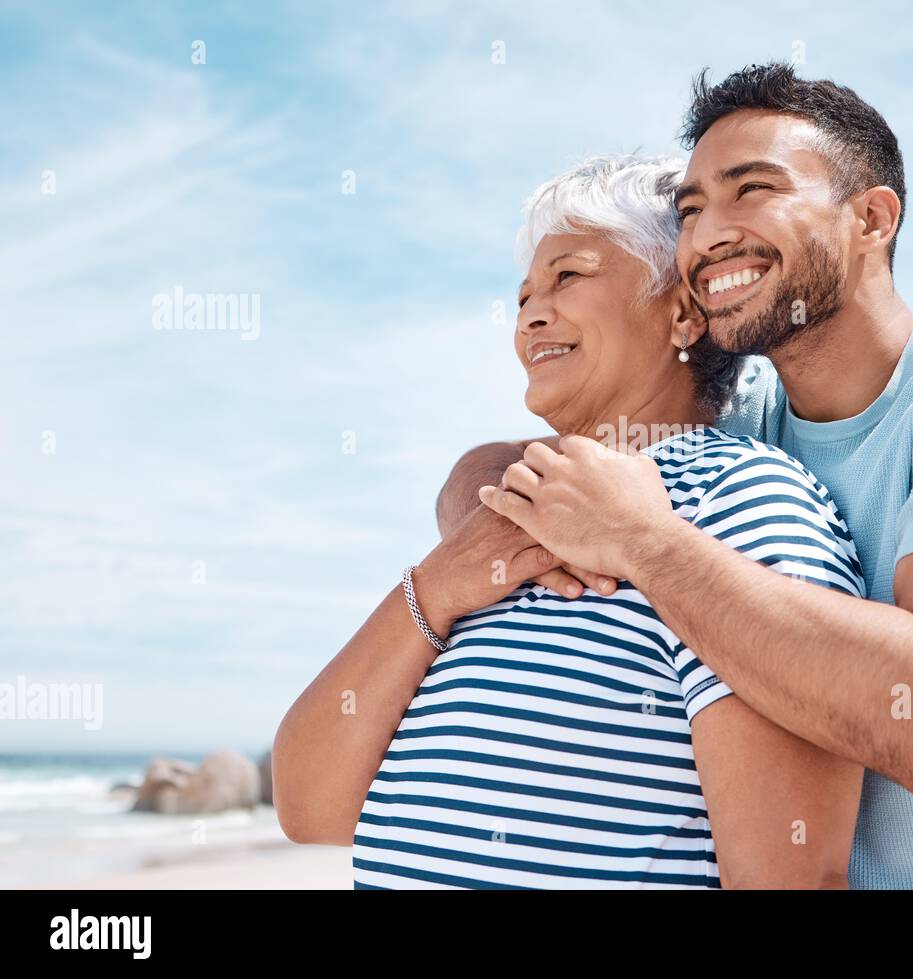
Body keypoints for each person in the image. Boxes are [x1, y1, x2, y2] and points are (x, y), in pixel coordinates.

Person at [463, 64, 913, 889]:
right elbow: (496, 467)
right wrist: (508, 509)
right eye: (692, 209)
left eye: (753, 190)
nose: (707, 237)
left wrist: (641, 540)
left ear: (872, 219)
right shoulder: (742, 423)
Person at [274, 155, 867, 888]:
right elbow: (309, 805)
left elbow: (794, 876)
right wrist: (433, 589)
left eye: (569, 277)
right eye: (524, 295)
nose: (530, 314)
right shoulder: (502, 513)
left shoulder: (740, 500)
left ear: (683, 311)